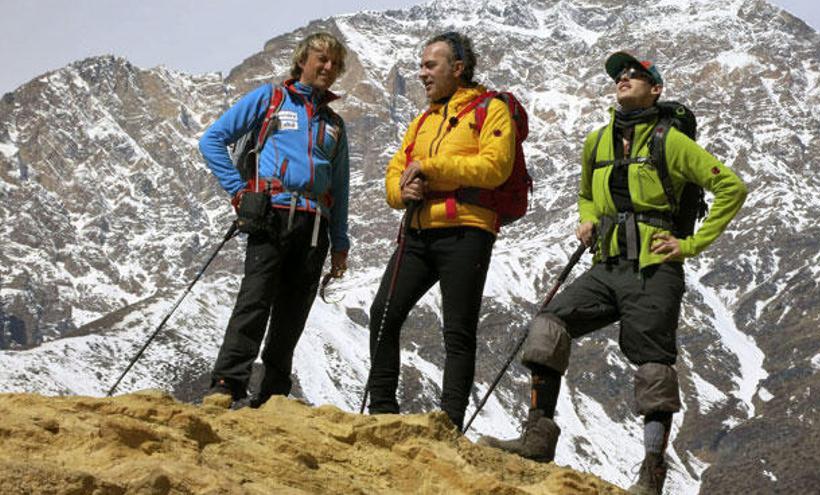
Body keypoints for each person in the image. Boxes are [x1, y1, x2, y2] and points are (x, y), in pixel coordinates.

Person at [478, 52, 747, 495]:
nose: (623, 78)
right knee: (548, 324)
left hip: (654, 269)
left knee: (653, 367)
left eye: (635, 74)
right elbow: (587, 192)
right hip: (605, 266)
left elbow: (731, 186)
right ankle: (537, 439)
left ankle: (652, 473)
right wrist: (586, 219)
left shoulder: (672, 142)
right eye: (619, 75)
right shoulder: (598, 141)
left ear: (655, 89)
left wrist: (691, 244)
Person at [365, 31, 516, 431]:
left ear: (458, 68)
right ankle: (381, 410)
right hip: (418, 231)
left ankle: (448, 425)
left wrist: (431, 170)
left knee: (458, 330)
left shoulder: (492, 109)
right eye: (421, 66)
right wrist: (402, 190)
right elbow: (396, 172)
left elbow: (495, 168)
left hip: (467, 231)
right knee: (383, 312)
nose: (422, 73)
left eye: (430, 65)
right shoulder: (423, 120)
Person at [199, 32, 350, 408]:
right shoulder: (270, 98)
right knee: (255, 300)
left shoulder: (334, 124)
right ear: (302, 60)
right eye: (321, 59)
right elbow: (212, 140)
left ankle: (273, 393)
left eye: (334, 63)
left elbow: (341, 188)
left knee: (293, 313)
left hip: (316, 223)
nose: (328, 68)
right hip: (272, 213)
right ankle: (227, 383)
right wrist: (239, 192)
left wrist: (341, 243)